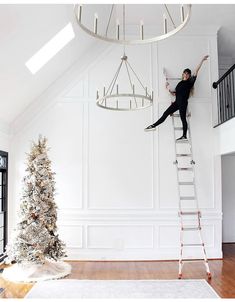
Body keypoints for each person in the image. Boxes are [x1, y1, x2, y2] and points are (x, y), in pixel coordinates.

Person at [145, 55, 209, 140]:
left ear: (189, 75)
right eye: (185, 73)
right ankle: (153, 125)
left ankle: (184, 136)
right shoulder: (179, 83)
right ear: (183, 74)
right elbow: (175, 94)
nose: (186, 75)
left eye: (188, 74)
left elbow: (196, 71)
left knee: (183, 119)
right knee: (165, 113)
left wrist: (202, 60)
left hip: (183, 103)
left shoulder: (190, 82)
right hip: (176, 102)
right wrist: (168, 89)